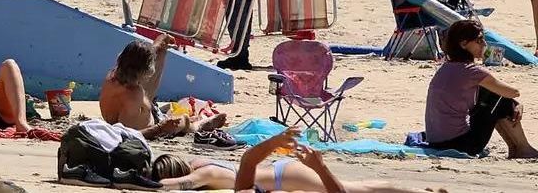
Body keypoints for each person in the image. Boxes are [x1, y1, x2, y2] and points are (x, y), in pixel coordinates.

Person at [152, 128, 417, 191]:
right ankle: (412, 190)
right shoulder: (197, 161)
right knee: (357, 187)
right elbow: (247, 160)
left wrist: (145, 182)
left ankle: (415, 191)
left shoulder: (203, 175)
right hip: (274, 169)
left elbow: (175, 184)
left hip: (282, 176)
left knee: (351, 189)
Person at [424, 19, 538, 158]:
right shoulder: (472, 71)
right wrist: (517, 104)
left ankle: (516, 148)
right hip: (460, 144)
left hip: (436, 142)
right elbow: (513, 92)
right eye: (479, 40)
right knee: (500, 99)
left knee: (492, 96)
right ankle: (523, 149)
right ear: (464, 44)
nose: (484, 44)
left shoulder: (446, 67)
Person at [98, 36, 226, 140]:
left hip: (140, 112)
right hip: (151, 129)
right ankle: (198, 125)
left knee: (161, 52)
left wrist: (157, 45)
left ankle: (161, 47)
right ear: (143, 70)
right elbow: (127, 134)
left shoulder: (113, 76)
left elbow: (136, 59)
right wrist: (161, 128)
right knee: (182, 121)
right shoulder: (133, 96)